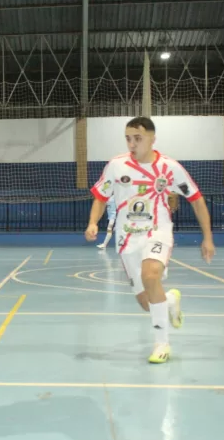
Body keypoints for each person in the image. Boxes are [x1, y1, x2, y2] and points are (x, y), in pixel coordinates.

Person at [85, 116, 215, 364]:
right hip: (126, 238)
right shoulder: (116, 166)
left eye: (138, 138)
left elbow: (196, 199)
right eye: (128, 138)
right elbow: (100, 197)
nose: (132, 143)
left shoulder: (170, 168)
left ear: (152, 139)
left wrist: (207, 237)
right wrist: (93, 222)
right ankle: (169, 300)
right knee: (146, 302)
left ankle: (161, 344)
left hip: (157, 231)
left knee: (151, 275)